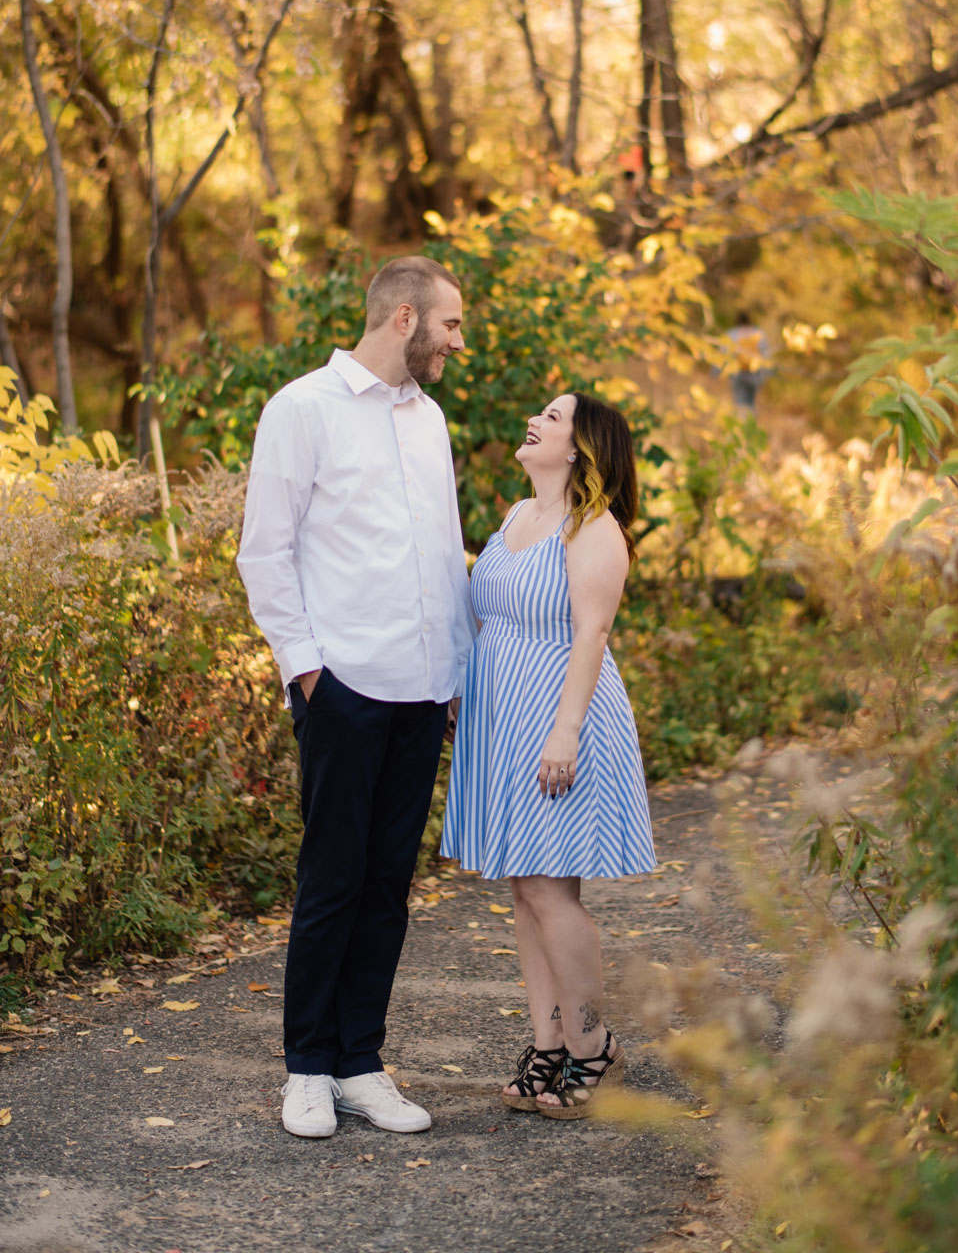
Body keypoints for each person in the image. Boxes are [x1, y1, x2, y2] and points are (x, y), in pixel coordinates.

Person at [236, 256, 472, 1140]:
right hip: (344, 686)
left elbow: (443, 553)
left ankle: (359, 1063)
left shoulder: (431, 420)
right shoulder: (302, 409)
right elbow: (266, 551)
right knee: (332, 880)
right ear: (404, 318)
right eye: (449, 325)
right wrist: (307, 672)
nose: (456, 342)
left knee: (387, 885)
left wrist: (454, 669)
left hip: (420, 688)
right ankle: (305, 1069)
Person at [441, 391, 656, 1119]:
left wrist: (563, 731)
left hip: (559, 716)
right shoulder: (514, 519)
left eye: (555, 416)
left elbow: (590, 636)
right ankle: (548, 1045)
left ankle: (593, 1046)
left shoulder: (592, 530)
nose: (534, 417)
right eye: (538, 409)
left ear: (579, 448)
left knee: (548, 892)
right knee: (523, 889)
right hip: (502, 719)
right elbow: (486, 617)